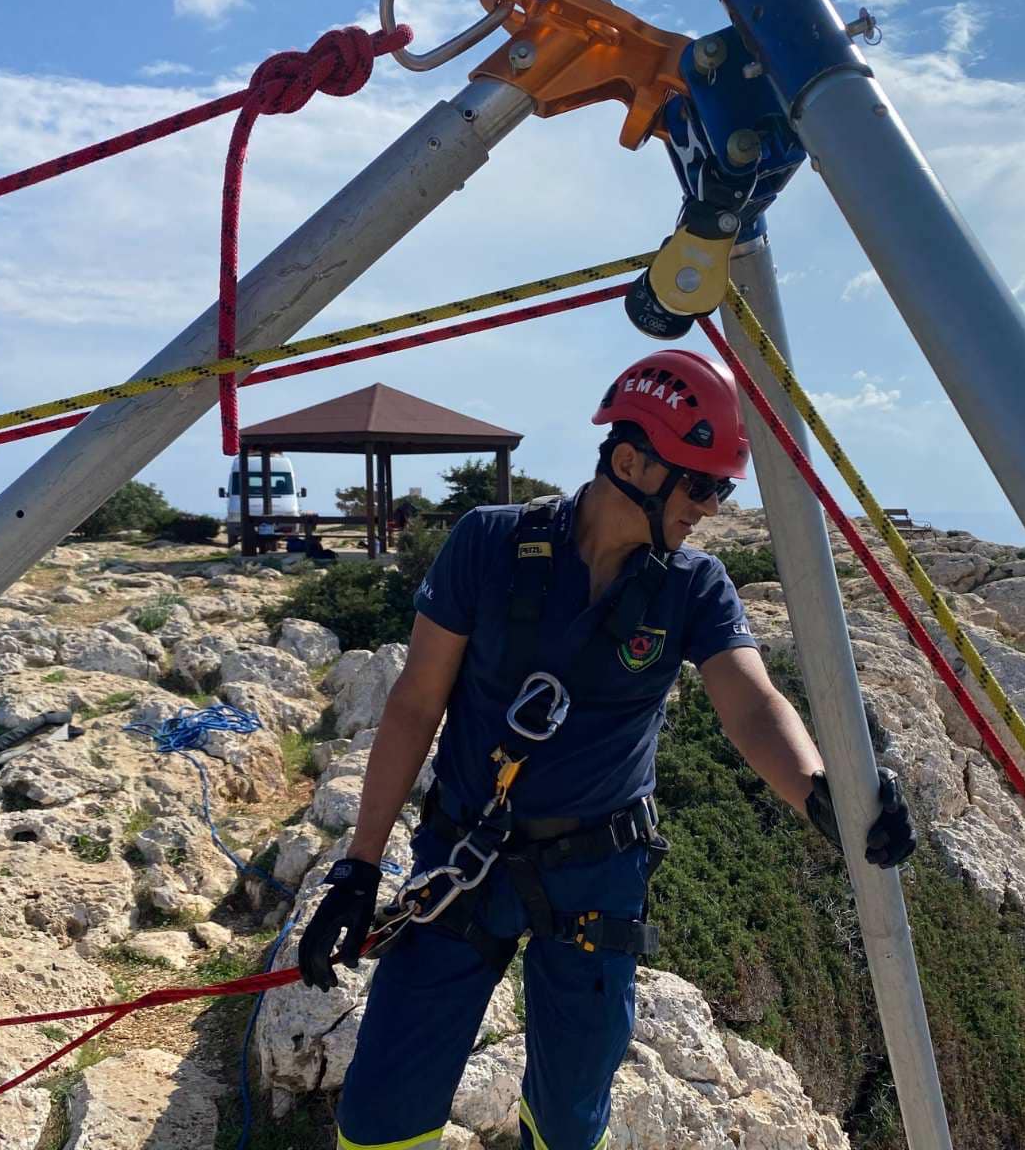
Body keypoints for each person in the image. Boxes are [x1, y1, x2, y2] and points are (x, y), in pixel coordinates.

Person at [299, 347, 916, 1150]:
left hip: (597, 874)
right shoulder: (488, 544)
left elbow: (752, 702)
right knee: (382, 1112)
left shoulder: (693, 586)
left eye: (722, 489)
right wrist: (358, 867)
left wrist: (821, 787)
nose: (712, 508)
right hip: (465, 854)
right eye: (700, 485)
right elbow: (416, 703)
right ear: (630, 463)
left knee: (568, 1119)